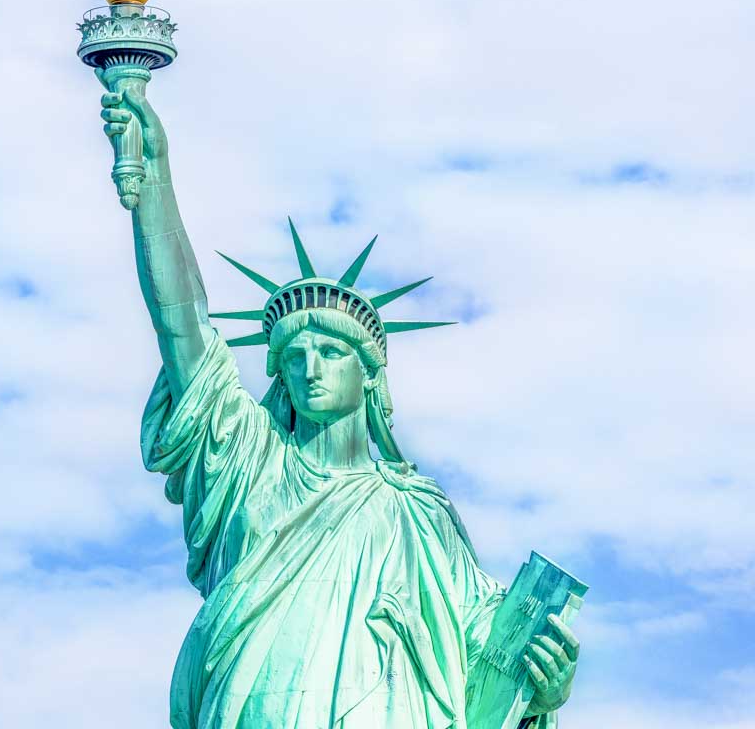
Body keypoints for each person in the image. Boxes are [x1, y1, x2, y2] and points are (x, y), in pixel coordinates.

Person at [100, 76, 581, 728]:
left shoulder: (419, 516)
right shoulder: (246, 463)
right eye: (294, 356)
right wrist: (154, 177)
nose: (310, 368)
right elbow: (181, 324)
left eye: (331, 351)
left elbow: (485, 673)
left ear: (371, 374)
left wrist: (543, 688)